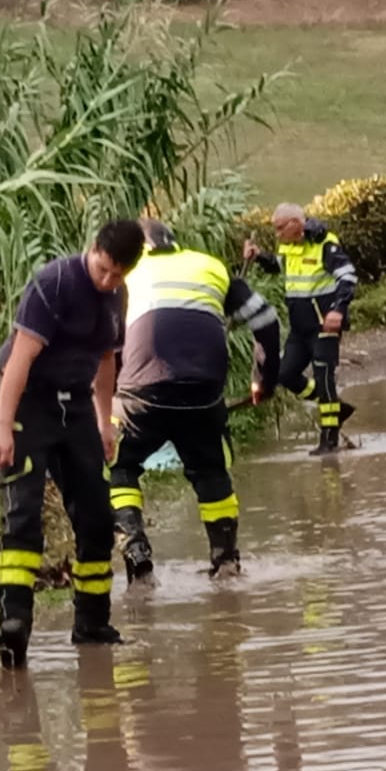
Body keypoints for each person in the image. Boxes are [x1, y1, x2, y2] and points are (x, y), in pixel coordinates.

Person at [0, 219, 146, 669]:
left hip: (74, 407)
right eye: (103, 268)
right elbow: (19, 359)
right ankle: (14, 628)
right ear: (92, 250)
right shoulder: (53, 283)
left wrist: (104, 420)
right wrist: (2, 424)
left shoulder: (117, 296)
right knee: (24, 517)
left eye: (118, 274)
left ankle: (92, 624)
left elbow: (107, 361)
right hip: (28, 402)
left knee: (96, 515)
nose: (107, 279)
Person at [109, 218, 281, 584]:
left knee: (118, 466)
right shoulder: (212, 267)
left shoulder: (124, 273)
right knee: (211, 472)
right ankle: (226, 562)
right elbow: (266, 320)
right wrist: (261, 380)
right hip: (203, 395)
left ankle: (135, 548)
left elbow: (108, 344)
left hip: (140, 396)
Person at [242, 204, 359, 456]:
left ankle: (329, 441)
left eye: (280, 228)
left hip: (324, 326)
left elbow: (348, 277)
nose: (277, 234)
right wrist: (258, 256)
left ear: (296, 223)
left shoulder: (325, 243)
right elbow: (279, 266)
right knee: (284, 374)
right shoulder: (288, 246)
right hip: (299, 328)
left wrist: (338, 310)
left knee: (324, 378)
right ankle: (335, 407)